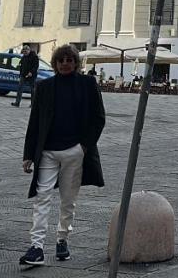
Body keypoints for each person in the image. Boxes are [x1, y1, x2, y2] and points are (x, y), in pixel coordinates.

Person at [20, 44, 106, 266]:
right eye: (61, 61)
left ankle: (62, 239)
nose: (65, 64)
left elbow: (99, 118)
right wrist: (28, 153)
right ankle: (36, 246)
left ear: (76, 63)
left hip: (74, 151)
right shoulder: (44, 86)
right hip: (47, 151)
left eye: (69, 60)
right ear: (56, 63)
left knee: (68, 200)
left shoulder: (87, 84)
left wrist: (84, 147)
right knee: (42, 197)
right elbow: (35, 121)